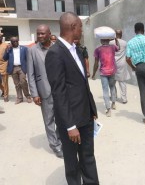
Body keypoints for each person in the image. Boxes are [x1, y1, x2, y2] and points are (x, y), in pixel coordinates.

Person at [45, 12, 99, 185]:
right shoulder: (55, 53)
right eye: (81, 27)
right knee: (72, 163)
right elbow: (59, 92)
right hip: (70, 122)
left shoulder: (77, 50)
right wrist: (70, 126)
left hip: (85, 117)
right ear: (73, 27)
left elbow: (82, 84)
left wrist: (91, 109)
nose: (82, 31)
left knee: (88, 157)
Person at [27, 24, 63, 158]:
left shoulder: (58, 47)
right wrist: (34, 94)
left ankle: (60, 140)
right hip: (44, 91)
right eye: (38, 33)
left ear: (49, 34)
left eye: (43, 33)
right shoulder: (32, 50)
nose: (40, 36)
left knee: (61, 118)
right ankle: (55, 145)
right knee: (49, 120)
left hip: (60, 90)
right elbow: (30, 74)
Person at [92, 38, 119, 117]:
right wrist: (116, 40)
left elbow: (96, 63)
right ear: (109, 41)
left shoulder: (98, 49)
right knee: (112, 87)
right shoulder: (113, 47)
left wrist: (93, 73)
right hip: (112, 71)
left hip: (103, 72)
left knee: (105, 90)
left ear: (101, 41)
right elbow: (119, 48)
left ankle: (108, 109)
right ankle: (113, 103)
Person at [3, 37, 32, 104]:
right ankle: (19, 98)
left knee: (23, 82)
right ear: (11, 42)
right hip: (13, 68)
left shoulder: (24, 48)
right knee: (17, 84)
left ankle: (28, 96)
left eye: (16, 41)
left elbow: (28, 58)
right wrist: (7, 51)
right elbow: (4, 58)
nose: (15, 42)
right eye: (13, 41)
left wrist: (28, 67)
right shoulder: (9, 49)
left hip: (22, 67)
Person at [110, 29, 130, 104]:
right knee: (122, 81)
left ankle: (114, 96)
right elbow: (127, 54)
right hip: (122, 63)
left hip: (112, 63)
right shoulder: (125, 43)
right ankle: (124, 99)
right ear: (121, 35)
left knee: (113, 81)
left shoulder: (110, 43)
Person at [0, 33, 9, 102]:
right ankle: (3, 90)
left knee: (5, 82)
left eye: (0, 37)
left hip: (4, 65)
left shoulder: (6, 45)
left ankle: (6, 95)